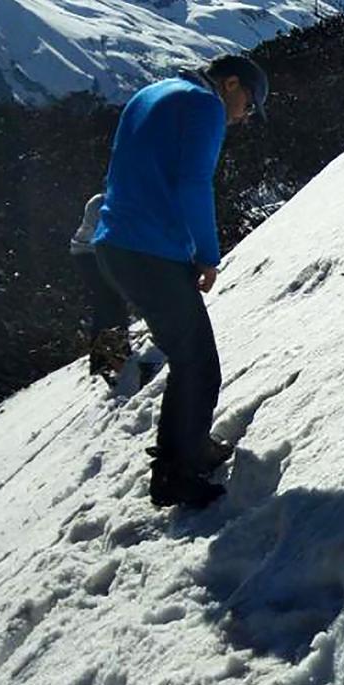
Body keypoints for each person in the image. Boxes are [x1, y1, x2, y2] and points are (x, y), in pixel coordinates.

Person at [93, 54, 269, 508]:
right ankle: (177, 474)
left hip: (117, 245)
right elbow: (193, 183)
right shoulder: (204, 105)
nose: (244, 117)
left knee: (188, 355)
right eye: (249, 104)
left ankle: (188, 450)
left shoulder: (151, 93)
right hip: (148, 250)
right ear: (230, 84)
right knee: (198, 363)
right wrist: (207, 255)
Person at [70, 193, 131, 384]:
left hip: (96, 252)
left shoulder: (121, 203)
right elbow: (104, 237)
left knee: (109, 302)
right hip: (87, 255)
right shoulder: (100, 204)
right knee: (110, 301)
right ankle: (111, 358)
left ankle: (107, 357)